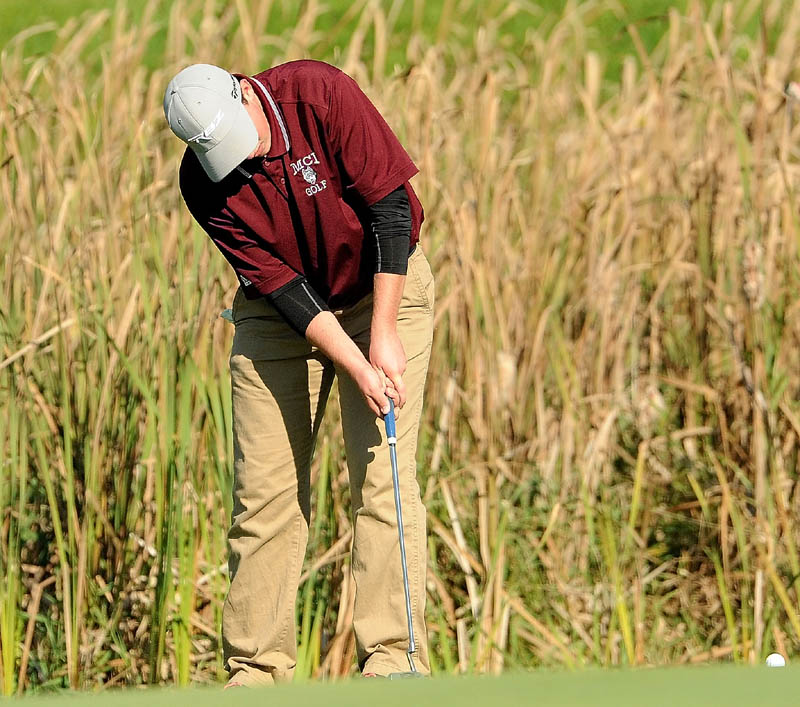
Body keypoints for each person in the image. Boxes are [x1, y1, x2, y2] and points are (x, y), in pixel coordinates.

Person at [162, 60, 434, 685]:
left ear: (245, 91)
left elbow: (391, 210)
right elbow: (282, 288)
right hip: (281, 316)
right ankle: (256, 674)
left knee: (382, 471)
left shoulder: (318, 94)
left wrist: (382, 335)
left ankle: (394, 664)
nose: (244, 159)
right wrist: (351, 362)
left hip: (381, 288)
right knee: (264, 496)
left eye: (243, 136)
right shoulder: (203, 182)